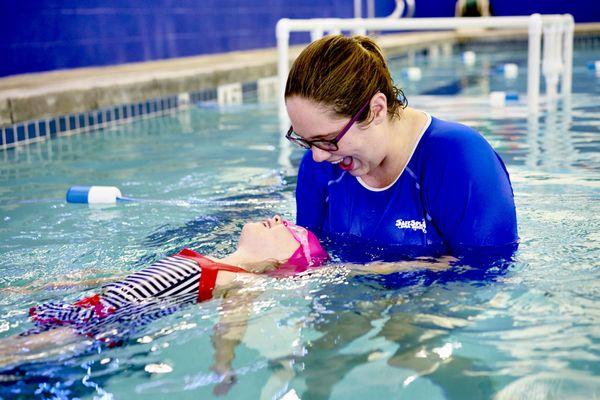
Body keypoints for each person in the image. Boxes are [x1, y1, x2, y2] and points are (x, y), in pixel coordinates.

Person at [0, 216, 328, 380]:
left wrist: (223, 360)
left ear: (278, 264)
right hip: (93, 307)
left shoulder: (239, 280)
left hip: (111, 323)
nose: (279, 220)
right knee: (17, 347)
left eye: (286, 230)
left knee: (15, 352)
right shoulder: (206, 259)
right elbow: (124, 279)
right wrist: (44, 287)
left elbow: (233, 320)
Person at [284, 35, 518, 259]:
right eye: (306, 141)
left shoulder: (460, 160)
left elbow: (487, 273)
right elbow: (311, 262)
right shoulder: (319, 166)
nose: (317, 156)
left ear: (376, 110)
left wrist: (369, 273)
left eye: (328, 139)